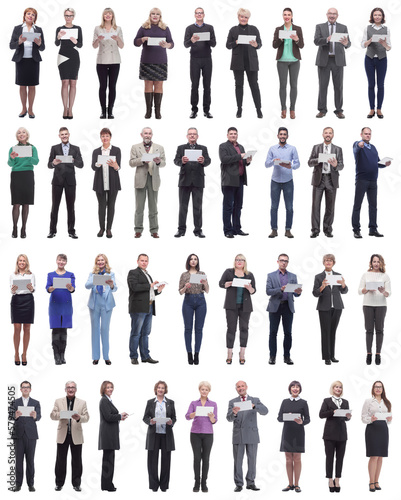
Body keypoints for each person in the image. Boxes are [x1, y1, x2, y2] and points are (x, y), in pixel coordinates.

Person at [227, 380, 268, 492]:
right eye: (238, 387)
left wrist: (254, 406)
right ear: (236, 389)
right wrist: (234, 413)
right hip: (238, 434)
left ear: (246, 387)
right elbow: (228, 418)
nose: (241, 388)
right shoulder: (232, 402)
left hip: (252, 434)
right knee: (238, 461)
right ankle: (239, 484)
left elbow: (265, 411)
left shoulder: (255, 400)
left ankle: (251, 482)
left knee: (252, 460)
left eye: (242, 386)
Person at [134, 8, 174, 119]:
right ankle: (148, 111)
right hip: (147, 60)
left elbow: (172, 43)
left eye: (157, 14)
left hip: (160, 60)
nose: (155, 16)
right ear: (150, 15)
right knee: (148, 84)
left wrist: (167, 45)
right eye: (153, 14)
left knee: (159, 84)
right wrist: (142, 39)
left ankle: (157, 111)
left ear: (160, 16)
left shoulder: (165, 28)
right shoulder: (144, 28)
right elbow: (135, 42)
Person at [50, 381, 89, 492]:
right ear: (65, 389)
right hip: (63, 435)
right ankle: (59, 483)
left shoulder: (82, 402)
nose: (70, 389)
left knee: (77, 461)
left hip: (76, 435)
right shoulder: (58, 401)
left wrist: (78, 418)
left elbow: (87, 417)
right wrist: (61, 414)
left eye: (72, 387)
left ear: (76, 389)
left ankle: (76, 484)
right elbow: (52, 416)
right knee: (60, 461)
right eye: (68, 387)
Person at [352, 127, 391, 238]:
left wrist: (384, 164)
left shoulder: (373, 148)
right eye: (365, 134)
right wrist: (359, 144)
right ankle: (356, 229)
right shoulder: (358, 144)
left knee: (373, 206)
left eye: (369, 134)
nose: (368, 135)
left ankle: (373, 229)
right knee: (357, 205)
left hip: (373, 181)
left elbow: (377, 163)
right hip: (362, 180)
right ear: (361, 134)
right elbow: (356, 147)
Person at [128, 254, 165, 365]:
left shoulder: (147, 274)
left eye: (146, 261)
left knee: (146, 333)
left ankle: (145, 356)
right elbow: (134, 287)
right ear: (137, 261)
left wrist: (158, 290)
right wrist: (150, 285)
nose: (144, 262)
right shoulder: (133, 273)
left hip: (149, 306)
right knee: (136, 333)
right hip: (138, 308)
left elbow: (148, 292)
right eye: (142, 260)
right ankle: (134, 356)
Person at [174, 127, 211, 238]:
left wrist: (204, 161)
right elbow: (175, 160)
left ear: (197, 136)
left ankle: (198, 230)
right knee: (182, 207)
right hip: (184, 181)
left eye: (194, 134)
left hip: (198, 181)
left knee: (198, 207)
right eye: (190, 134)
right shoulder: (181, 148)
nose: (192, 136)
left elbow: (209, 160)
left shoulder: (203, 148)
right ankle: (181, 230)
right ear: (187, 136)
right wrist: (182, 161)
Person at [129, 127, 166, 238]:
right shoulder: (135, 147)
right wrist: (142, 160)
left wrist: (159, 162)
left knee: (153, 207)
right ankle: (138, 230)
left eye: (149, 133)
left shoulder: (159, 148)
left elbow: (164, 163)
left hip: (153, 179)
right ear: (141, 135)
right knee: (139, 207)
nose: (147, 135)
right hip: (140, 180)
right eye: (145, 133)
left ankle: (154, 230)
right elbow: (131, 162)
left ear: (152, 135)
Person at [47, 127, 83, 239]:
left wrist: (73, 160)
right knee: (55, 207)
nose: (64, 136)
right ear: (59, 136)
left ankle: (71, 231)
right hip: (57, 181)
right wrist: (53, 163)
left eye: (66, 134)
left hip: (70, 181)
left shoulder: (76, 149)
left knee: (71, 207)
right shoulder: (54, 148)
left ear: (69, 135)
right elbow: (48, 164)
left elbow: (81, 164)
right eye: (62, 134)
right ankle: (52, 231)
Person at [219, 254, 256, 365]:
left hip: (245, 306)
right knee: (231, 329)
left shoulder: (249, 274)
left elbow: (254, 291)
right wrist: (227, 284)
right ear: (234, 261)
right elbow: (220, 284)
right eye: (237, 260)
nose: (239, 261)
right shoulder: (228, 272)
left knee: (244, 328)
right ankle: (229, 353)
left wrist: (250, 288)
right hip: (231, 306)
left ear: (245, 262)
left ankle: (242, 353)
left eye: (242, 260)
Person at [314, 8, 351, 119]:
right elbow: (316, 41)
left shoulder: (343, 27)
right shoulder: (320, 26)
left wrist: (346, 43)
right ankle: (322, 110)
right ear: (326, 15)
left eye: (334, 14)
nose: (332, 15)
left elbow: (348, 44)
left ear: (337, 16)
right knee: (322, 86)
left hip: (338, 61)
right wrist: (326, 39)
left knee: (338, 87)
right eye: (330, 13)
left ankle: (339, 110)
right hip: (324, 60)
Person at [266, 253, 302, 365]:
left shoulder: (293, 276)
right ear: (278, 262)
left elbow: (296, 294)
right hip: (275, 307)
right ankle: (272, 356)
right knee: (273, 333)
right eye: (281, 260)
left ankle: (287, 356)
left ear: (288, 263)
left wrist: (298, 292)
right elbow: (268, 291)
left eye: (286, 261)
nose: (283, 262)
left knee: (288, 333)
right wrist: (280, 289)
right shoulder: (271, 275)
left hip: (288, 306)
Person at [226, 8, 262, 118]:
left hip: (251, 62)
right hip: (238, 62)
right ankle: (239, 109)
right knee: (239, 85)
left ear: (248, 18)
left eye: (246, 17)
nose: (243, 19)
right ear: (238, 17)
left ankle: (258, 109)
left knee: (254, 85)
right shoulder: (233, 30)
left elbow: (260, 44)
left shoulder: (254, 29)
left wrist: (256, 45)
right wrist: (236, 42)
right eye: (242, 17)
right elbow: (228, 45)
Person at [308, 127, 344, 238]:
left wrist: (335, 165)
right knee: (315, 206)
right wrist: (319, 159)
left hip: (331, 180)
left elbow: (341, 165)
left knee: (330, 206)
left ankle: (327, 229)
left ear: (333, 135)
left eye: (330, 133)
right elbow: (309, 162)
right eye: (326, 133)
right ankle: (315, 230)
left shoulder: (338, 149)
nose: (328, 135)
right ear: (323, 134)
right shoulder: (316, 147)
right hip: (319, 179)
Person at [265, 127, 300, 238]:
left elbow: (298, 164)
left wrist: (291, 166)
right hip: (275, 181)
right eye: (281, 134)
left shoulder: (292, 149)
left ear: (287, 136)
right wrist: (272, 161)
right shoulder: (272, 149)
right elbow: (266, 164)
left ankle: (288, 230)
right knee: (274, 207)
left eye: (284, 134)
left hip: (288, 181)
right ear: (278, 136)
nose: (282, 136)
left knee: (289, 207)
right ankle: (274, 230)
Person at [9, 8, 45, 118]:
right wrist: (19, 41)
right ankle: (23, 108)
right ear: (24, 15)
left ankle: (30, 109)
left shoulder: (38, 29)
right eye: (28, 14)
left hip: (33, 61)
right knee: (22, 85)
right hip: (21, 60)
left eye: (33, 15)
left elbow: (43, 48)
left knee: (32, 86)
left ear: (35, 18)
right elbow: (11, 45)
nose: (30, 16)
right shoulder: (18, 28)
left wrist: (39, 43)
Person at [312, 254, 348, 365]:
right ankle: (326, 357)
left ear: (333, 263)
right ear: (323, 262)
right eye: (326, 260)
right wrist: (322, 286)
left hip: (337, 307)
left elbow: (344, 291)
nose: (328, 262)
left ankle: (332, 355)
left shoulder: (338, 275)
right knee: (325, 331)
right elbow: (315, 293)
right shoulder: (318, 276)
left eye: (330, 260)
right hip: (324, 307)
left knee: (333, 331)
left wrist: (343, 284)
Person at [143, 381, 176, 492]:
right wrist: (150, 421)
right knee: (152, 461)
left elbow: (174, 417)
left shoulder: (171, 402)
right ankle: (154, 485)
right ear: (156, 389)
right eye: (159, 388)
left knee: (166, 461)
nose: (160, 389)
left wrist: (171, 422)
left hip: (166, 435)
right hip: (154, 434)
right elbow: (145, 417)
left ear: (165, 390)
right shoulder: (150, 402)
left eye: (162, 388)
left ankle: (164, 486)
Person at [219, 127, 252, 238]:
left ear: (237, 135)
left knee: (238, 206)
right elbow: (224, 159)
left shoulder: (241, 146)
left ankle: (237, 229)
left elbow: (242, 162)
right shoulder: (223, 146)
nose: (233, 135)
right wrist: (240, 156)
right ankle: (228, 230)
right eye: (231, 134)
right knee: (228, 207)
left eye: (235, 134)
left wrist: (247, 161)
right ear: (227, 135)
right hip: (229, 181)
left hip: (240, 180)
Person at [277, 380, 310, 493]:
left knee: (297, 458)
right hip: (287, 432)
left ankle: (297, 484)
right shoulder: (285, 402)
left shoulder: (303, 402)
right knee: (288, 459)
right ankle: (290, 484)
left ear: (300, 389)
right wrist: (287, 416)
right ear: (290, 389)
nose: (295, 388)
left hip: (298, 432)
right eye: (293, 387)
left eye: (297, 387)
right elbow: (279, 418)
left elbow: (308, 419)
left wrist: (302, 422)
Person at [358, 254, 391, 366]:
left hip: (381, 305)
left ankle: (378, 354)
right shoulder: (366, 274)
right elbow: (359, 291)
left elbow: (388, 293)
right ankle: (369, 354)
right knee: (369, 330)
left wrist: (383, 291)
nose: (376, 264)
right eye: (374, 261)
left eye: (378, 261)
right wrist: (367, 289)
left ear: (381, 263)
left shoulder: (385, 276)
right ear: (371, 263)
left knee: (380, 330)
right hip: (368, 304)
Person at [319, 381, 351, 493]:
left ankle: (337, 479)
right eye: (336, 387)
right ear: (332, 388)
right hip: (329, 433)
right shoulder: (327, 401)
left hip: (342, 433)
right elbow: (321, 415)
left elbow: (346, 418)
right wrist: (333, 411)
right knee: (329, 457)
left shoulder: (345, 402)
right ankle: (329, 480)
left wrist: (348, 416)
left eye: (340, 387)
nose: (338, 389)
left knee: (340, 458)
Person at [184, 7, 216, 119]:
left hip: (207, 59)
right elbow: (186, 44)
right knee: (195, 85)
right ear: (194, 15)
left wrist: (206, 38)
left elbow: (214, 43)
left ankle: (207, 110)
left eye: (201, 13)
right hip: (195, 59)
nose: (199, 15)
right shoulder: (189, 28)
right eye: (197, 13)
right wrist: (192, 40)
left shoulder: (210, 27)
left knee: (207, 86)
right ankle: (194, 110)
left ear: (204, 15)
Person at [185, 381, 217, 492]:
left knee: (206, 458)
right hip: (195, 434)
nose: (204, 391)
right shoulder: (194, 403)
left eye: (206, 389)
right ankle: (197, 482)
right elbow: (187, 416)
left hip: (208, 434)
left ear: (209, 391)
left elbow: (214, 421)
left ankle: (204, 483)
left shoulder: (213, 404)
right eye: (202, 389)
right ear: (199, 390)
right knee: (197, 458)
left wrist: (212, 417)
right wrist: (195, 413)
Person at [85, 254, 117, 365]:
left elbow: (115, 289)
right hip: (95, 303)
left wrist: (112, 285)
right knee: (95, 329)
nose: (100, 262)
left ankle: (106, 357)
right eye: (98, 260)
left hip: (106, 303)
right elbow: (87, 286)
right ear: (96, 262)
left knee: (104, 329)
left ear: (105, 261)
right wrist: (95, 280)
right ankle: (95, 357)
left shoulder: (111, 274)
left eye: (102, 260)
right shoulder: (92, 274)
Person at [92, 8, 124, 119]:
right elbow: (94, 46)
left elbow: (121, 45)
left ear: (112, 16)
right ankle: (103, 111)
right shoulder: (98, 28)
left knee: (112, 86)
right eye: (106, 13)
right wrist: (98, 39)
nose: (108, 15)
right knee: (102, 86)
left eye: (110, 13)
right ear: (103, 16)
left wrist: (117, 38)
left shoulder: (118, 28)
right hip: (102, 60)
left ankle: (110, 111)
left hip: (115, 60)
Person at [272, 8, 304, 119]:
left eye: (289, 14)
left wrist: (297, 39)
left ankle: (292, 109)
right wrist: (280, 39)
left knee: (294, 85)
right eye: (285, 14)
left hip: (294, 61)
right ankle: (283, 109)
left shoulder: (297, 29)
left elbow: (302, 45)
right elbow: (274, 45)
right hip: (282, 61)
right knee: (282, 85)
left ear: (292, 16)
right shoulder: (278, 29)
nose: (287, 16)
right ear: (282, 16)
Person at [8, 127, 39, 238]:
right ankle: (15, 227)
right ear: (17, 136)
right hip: (16, 175)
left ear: (27, 135)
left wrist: (29, 155)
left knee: (26, 203)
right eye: (19, 133)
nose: (21, 134)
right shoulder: (13, 148)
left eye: (23, 132)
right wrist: (12, 158)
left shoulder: (32, 148)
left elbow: (36, 162)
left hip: (28, 175)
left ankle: (24, 228)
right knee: (16, 203)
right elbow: (10, 164)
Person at [361, 381, 392, 492]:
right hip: (372, 429)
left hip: (383, 429)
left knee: (380, 457)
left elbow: (388, 419)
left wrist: (389, 420)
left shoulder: (387, 402)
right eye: (376, 387)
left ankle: (377, 480)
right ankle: (371, 481)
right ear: (373, 389)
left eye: (380, 387)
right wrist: (371, 419)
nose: (378, 389)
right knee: (373, 456)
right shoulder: (368, 401)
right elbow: (363, 418)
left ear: (383, 389)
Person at [91, 127, 121, 238]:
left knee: (111, 206)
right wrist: (97, 164)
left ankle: (109, 229)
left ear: (110, 137)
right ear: (100, 138)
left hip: (113, 182)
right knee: (101, 206)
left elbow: (119, 166)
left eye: (107, 136)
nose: (105, 138)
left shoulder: (116, 150)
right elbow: (93, 167)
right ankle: (101, 228)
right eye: (103, 136)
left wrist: (116, 166)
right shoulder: (96, 151)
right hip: (100, 182)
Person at [179, 254, 209, 365]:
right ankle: (189, 354)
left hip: (201, 301)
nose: (193, 261)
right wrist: (185, 287)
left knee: (199, 329)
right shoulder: (184, 275)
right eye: (191, 259)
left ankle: (197, 354)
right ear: (188, 261)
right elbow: (180, 292)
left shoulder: (202, 274)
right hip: (188, 301)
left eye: (195, 259)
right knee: (188, 329)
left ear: (197, 261)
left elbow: (207, 290)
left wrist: (205, 284)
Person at [99, 381, 128, 492]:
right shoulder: (104, 401)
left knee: (109, 460)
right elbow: (108, 417)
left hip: (110, 434)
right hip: (107, 435)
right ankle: (107, 485)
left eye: (111, 387)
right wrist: (120, 416)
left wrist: (120, 417)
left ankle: (106, 484)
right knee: (108, 461)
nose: (110, 389)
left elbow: (111, 416)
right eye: (108, 387)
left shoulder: (108, 400)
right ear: (103, 389)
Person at [46, 254, 75, 365]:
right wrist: (51, 288)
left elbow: (73, 289)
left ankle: (62, 355)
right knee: (56, 330)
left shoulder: (70, 275)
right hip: (55, 305)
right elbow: (47, 288)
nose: (61, 262)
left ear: (66, 262)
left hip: (66, 305)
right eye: (59, 260)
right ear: (56, 261)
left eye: (63, 260)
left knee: (64, 331)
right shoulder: (51, 275)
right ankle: (56, 356)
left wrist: (70, 288)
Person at [12, 381, 41, 492]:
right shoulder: (15, 402)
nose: (25, 389)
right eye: (23, 387)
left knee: (30, 460)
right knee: (18, 460)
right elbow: (10, 416)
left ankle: (30, 484)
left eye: (27, 387)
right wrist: (15, 415)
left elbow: (39, 416)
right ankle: (18, 484)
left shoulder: (36, 402)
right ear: (20, 389)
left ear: (30, 389)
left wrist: (35, 416)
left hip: (31, 435)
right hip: (18, 434)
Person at [363, 8, 391, 118]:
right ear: (372, 16)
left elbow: (389, 48)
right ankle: (371, 109)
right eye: (375, 15)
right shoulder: (367, 28)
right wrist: (369, 41)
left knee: (381, 85)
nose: (377, 17)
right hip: (369, 58)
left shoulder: (386, 29)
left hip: (382, 59)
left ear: (382, 16)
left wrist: (384, 44)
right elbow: (362, 44)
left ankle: (379, 109)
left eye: (379, 15)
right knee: (371, 85)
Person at [55, 8, 82, 119]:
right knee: (65, 82)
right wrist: (59, 37)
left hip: (74, 57)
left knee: (73, 83)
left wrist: (76, 42)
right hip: (62, 56)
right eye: (66, 15)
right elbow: (56, 44)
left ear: (73, 17)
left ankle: (70, 109)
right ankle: (64, 108)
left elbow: (80, 45)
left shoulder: (78, 28)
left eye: (70, 16)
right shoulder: (59, 28)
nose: (68, 18)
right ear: (64, 16)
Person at [10, 254, 35, 366]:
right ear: (17, 262)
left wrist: (31, 288)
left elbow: (34, 288)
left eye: (24, 261)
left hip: (28, 300)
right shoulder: (13, 275)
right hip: (17, 301)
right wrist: (13, 290)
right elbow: (12, 290)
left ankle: (24, 354)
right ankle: (16, 353)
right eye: (20, 260)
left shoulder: (31, 275)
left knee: (27, 328)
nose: (22, 262)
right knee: (16, 328)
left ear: (26, 262)